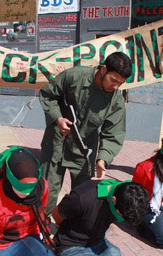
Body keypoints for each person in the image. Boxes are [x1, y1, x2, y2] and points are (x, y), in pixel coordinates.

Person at [39, 51, 132, 214]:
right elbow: (48, 95)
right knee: (46, 195)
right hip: (55, 144)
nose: (116, 87)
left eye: (121, 83)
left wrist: (103, 159)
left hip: (83, 152)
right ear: (103, 70)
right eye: (113, 80)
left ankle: (71, 232)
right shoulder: (74, 76)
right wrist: (58, 118)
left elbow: (113, 132)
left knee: (82, 198)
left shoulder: (115, 99)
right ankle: (41, 229)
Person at [52, 179, 149, 256]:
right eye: (120, 215)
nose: (120, 219)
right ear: (113, 200)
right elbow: (56, 214)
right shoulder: (83, 198)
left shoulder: (128, 194)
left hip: (98, 242)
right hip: (72, 245)